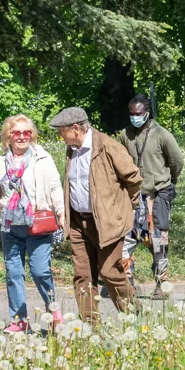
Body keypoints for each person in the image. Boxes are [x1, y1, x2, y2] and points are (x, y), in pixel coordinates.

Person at [50, 106, 142, 325]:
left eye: (61, 130)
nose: (59, 135)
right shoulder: (72, 148)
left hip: (107, 223)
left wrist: (122, 210)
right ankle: (91, 326)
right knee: (83, 275)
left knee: (110, 272)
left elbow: (134, 179)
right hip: (78, 223)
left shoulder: (108, 147)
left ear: (75, 128)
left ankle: (134, 317)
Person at [0, 115, 65, 332]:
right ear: (8, 136)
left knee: (39, 271)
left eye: (26, 133)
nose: (22, 137)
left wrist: (62, 213)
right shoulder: (0, 163)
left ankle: (54, 310)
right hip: (10, 227)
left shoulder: (42, 159)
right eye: (17, 133)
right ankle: (19, 320)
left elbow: (55, 187)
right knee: (14, 274)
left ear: (32, 136)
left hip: (37, 224)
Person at [118, 94, 185, 299]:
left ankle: (161, 284)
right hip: (133, 196)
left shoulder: (162, 135)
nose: (134, 117)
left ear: (147, 113)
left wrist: (167, 182)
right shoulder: (125, 134)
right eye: (131, 114)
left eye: (138, 114)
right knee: (127, 240)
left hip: (157, 195)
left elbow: (177, 161)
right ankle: (128, 283)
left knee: (158, 241)